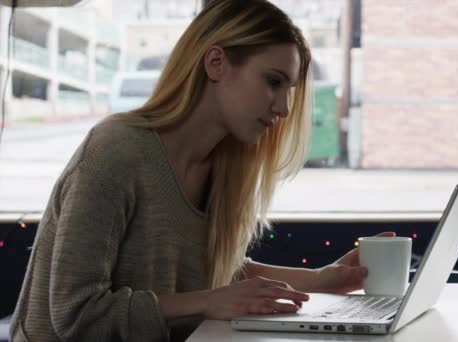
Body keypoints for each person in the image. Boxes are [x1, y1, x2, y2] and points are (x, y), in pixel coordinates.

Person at [10, 0, 394, 341]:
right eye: (273, 82)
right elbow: (76, 316)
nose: (284, 109)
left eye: (289, 89)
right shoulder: (116, 150)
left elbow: (216, 270)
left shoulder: (224, 167)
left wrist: (321, 280)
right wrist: (210, 302)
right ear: (216, 63)